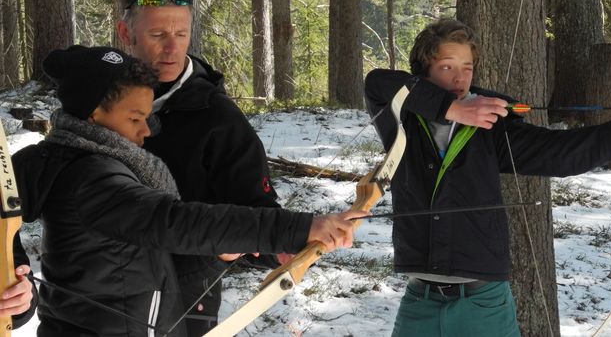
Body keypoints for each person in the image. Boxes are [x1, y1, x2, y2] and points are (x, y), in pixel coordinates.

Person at [13, 46, 364, 336]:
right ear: (93, 115)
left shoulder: (62, 160)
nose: (147, 132)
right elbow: (175, 222)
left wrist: (220, 254)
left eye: (149, 119)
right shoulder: (92, 180)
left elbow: (144, 258)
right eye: (135, 119)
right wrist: (299, 228)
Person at [364, 19, 611, 337]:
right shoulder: (402, 120)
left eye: (467, 67)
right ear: (423, 72)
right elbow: (377, 83)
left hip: (482, 304)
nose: (460, 77)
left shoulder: (492, 122)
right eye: (446, 67)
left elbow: (558, 154)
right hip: (420, 302)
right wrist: (451, 109)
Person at [114, 0, 292, 334]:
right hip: (99, 291)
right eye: (158, 34)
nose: (172, 47)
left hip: (184, 293)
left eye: (181, 33)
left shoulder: (218, 117)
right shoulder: (98, 102)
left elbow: (254, 209)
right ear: (125, 33)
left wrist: (285, 242)